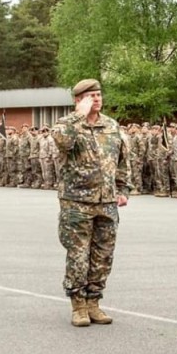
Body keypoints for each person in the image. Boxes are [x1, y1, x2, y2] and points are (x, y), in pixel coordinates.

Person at [51, 79, 131, 328]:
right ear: (78, 100)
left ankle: (94, 301)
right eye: (90, 96)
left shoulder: (111, 125)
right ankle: (78, 305)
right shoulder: (67, 124)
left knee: (103, 255)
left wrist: (123, 188)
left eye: (98, 95)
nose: (97, 99)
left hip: (106, 201)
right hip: (77, 202)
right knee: (78, 255)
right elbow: (62, 141)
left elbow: (121, 160)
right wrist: (79, 116)